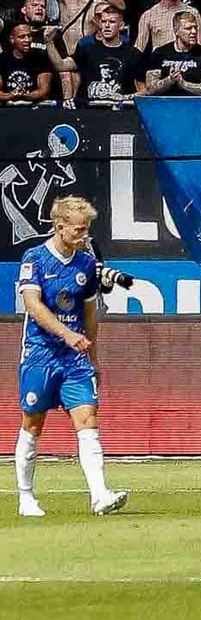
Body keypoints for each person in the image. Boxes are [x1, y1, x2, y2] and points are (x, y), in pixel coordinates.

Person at [15, 196, 127, 517]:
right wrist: (66, 334)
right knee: (33, 423)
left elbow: (90, 313)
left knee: (88, 419)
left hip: (75, 360)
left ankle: (99, 495)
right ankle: (26, 497)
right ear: (59, 226)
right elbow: (33, 306)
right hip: (40, 355)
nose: (84, 235)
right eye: (79, 230)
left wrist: (93, 356)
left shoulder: (87, 263)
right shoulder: (35, 259)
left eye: (87, 230)